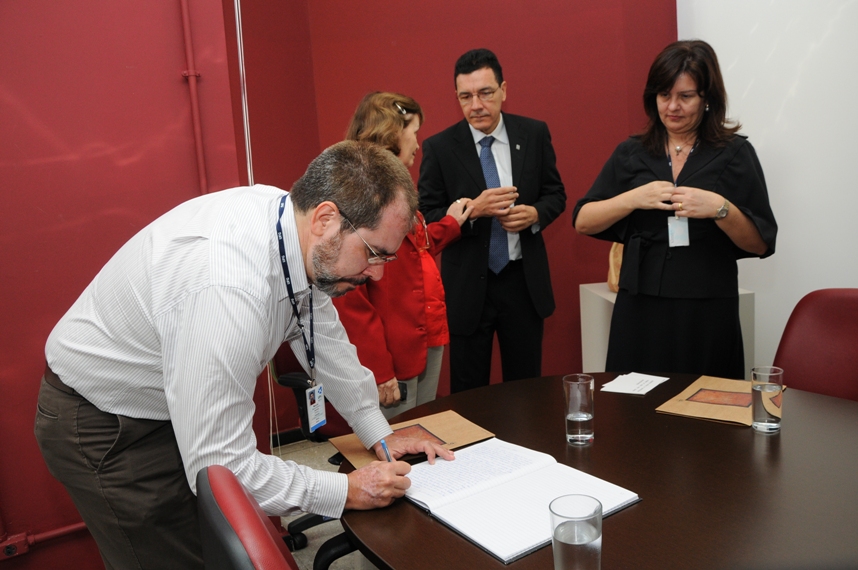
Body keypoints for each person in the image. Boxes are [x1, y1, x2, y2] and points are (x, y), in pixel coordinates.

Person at [34, 141, 454, 569]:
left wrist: (378, 433)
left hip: (166, 407)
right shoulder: (227, 286)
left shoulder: (294, 227)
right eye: (373, 253)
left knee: (213, 547)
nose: (377, 273)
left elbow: (323, 334)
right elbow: (225, 471)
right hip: (106, 423)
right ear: (326, 218)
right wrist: (346, 490)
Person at [573, 40, 778, 379]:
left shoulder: (735, 153)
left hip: (707, 310)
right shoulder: (631, 152)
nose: (672, 107)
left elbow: (760, 243)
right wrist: (633, 198)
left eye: (686, 96)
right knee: (635, 403)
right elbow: (583, 221)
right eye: (664, 95)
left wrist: (720, 208)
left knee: (706, 405)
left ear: (707, 98)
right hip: (640, 308)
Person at [418, 48, 566, 393]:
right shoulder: (440, 147)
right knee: (469, 392)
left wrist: (535, 215)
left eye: (485, 93)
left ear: (503, 90)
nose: (476, 105)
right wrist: (473, 210)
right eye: (465, 97)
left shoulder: (533, 134)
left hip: (522, 281)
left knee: (526, 390)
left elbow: (555, 194)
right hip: (468, 285)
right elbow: (427, 216)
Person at [335, 92, 473, 418]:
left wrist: (452, 224)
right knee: (400, 435)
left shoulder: (396, 189)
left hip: (423, 336)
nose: (418, 144)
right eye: (414, 132)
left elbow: (413, 248)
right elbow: (349, 298)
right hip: (393, 350)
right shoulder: (360, 196)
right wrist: (379, 367)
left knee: (423, 427)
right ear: (394, 133)